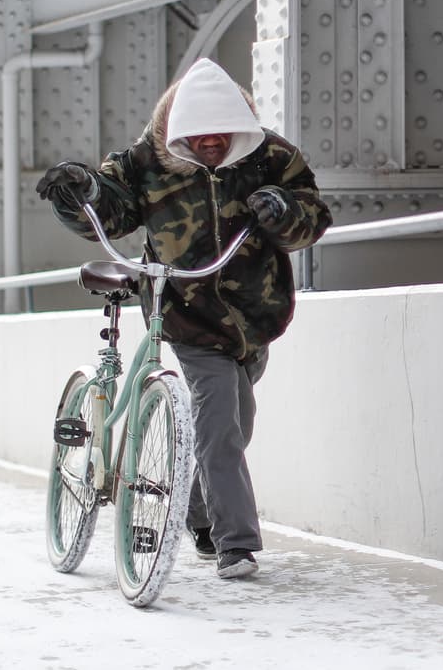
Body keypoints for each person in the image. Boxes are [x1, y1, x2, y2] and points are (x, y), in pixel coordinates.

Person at [35, 58, 331, 579]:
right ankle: (235, 544)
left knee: (235, 424)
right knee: (219, 426)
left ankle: (197, 513)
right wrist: (77, 192)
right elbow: (109, 208)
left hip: (254, 315)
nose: (212, 144)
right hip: (186, 312)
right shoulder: (146, 162)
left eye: (222, 135)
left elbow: (312, 214)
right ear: (180, 132)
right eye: (200, 137)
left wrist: (284, 210)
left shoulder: (271, 156)